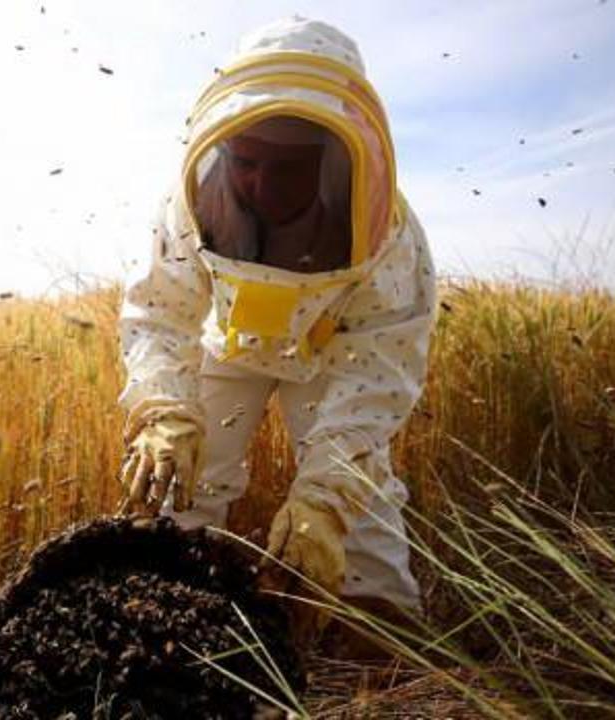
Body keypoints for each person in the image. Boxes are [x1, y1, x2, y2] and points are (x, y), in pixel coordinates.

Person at [116, 16, 437, 656]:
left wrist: (326, 497)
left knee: (356, 508)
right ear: (223, 146)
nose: (262, 187)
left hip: (332, 357)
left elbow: (380, 367)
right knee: (186, 487)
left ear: (340, 160)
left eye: (291, 167)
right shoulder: (188, 204)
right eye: (247, 161)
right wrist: (165, 409)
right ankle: (172, 637)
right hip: (229, 345)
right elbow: (160, 311)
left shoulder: (392, 236)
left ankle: (384, 657)